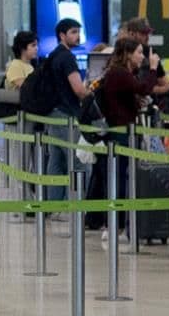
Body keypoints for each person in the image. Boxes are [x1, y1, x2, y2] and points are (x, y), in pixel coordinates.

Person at [83, 36, 145, 234]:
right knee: (118, 176)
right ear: (128, 54)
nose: (142, 56)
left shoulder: (117, 73)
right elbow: (143, 88)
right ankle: (115, 223)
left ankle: (110, 221)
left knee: (113, 175)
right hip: (119, 133)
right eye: (139, 52)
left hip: (118, 131)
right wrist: (152, 69)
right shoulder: (119, 73)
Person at [38, 18, 89, 208]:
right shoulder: (67, 57)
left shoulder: (53, 55)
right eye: (73, 32)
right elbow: (78, 89)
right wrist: (91, 93)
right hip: (65, 114)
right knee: (78, 160)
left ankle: (54, 205)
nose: (77, 36)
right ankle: (76, 206)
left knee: (57, 160)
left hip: (52, 113)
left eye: (78, 32)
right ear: (62, 35)